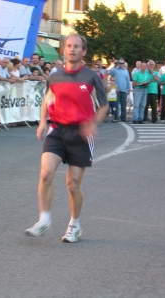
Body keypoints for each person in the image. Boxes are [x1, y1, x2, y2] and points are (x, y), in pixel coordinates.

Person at [25, 33, 108, 243]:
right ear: (65, 49)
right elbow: (46, 101)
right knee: (45, 174)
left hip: (81, 133)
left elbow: (104, 105)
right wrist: (43, 122)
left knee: (72, 185)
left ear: (83, 51)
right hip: (57, 130)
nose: (72, 49)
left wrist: (94, 124)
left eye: (76, 46)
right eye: (69, 46)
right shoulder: (54, 77)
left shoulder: (91, 77)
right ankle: (44, 220)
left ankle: (75, 225)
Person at [108, 57, 130, 122]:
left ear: (124, 63)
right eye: (119, 63)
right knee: (116, 104)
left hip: (124, 90)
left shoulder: (126, 71)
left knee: (124, 105)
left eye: (122, 63)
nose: (121, 64)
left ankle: (123, 117)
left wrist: (128, 88)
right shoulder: (115, 69)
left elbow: (128, 80)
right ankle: (116, 117)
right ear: (118, 63)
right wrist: (114, 65)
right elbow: (109, 72)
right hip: (116, 90)